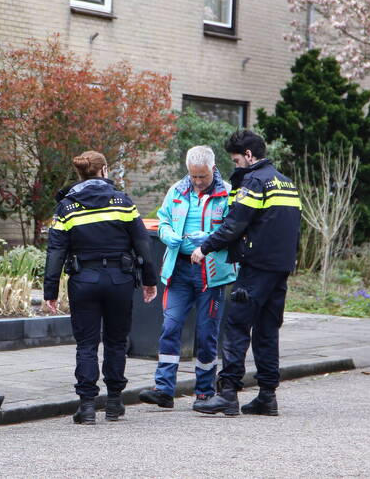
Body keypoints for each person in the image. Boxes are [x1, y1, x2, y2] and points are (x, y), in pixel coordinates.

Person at [190, 130, 301, 417]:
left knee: (237, 327)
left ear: (249, 155)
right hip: (280, 268)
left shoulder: (254, 181)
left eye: (237, 160)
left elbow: (235, 224)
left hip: (256, 268)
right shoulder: (286, 182)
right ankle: (267, 396)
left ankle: (227, 393)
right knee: (267, 331)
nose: (236, 165)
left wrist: (205, 247)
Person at [44, 150, 158, 424]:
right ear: (104, 170)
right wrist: (150, 280)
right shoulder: (123, 202)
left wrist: (50, 291)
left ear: (80, 173)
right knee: (116, 341)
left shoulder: (67, 207)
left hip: (84, 281)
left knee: (86, 344)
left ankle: (86, 406)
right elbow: (143, 243)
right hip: (119, 279)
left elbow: (56, 251)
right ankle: (115, 403)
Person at [139, 145, 237, 409]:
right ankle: (164, 389)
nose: (197, 181)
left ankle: (204, 392)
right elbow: (163, 220)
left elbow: (234, 230)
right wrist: (167, 234)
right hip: (179, 270)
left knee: (206, 333)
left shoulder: (228, 194)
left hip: (210, 273)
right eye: (193, 176)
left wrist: (210, 239)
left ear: (213, 169)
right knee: (170, 327)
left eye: (202, 176)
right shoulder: (177, 191)